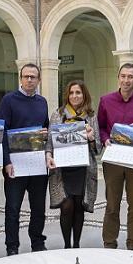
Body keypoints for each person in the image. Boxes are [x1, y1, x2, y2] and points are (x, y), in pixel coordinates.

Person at [97, 63, 133, 250]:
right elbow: (101, 126)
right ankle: (109, 242)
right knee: (112, 203)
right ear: (118, 77)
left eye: (130, 77)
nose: (126, 80)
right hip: (113, 156)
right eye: (123, 76)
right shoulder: (106, 100)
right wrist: (105, 139)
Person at [0, 63, 49, 255]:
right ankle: (12, 247)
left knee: (38, 208)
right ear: (20, 78)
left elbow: (45, 128)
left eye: (33, 77)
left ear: (38, 80)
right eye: (26, 76)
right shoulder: (8, 100)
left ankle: (37, 242)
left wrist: (45, 135)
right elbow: (2, 133)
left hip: (37, 163)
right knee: (13, 208)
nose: (29, 80)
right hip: (16, 164)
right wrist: (6, 162)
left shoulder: (42, 102)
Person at [46, 80, 101, 248]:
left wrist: (91, 138)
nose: (74, 96)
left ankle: (76, 244)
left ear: (84, 95)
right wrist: (48, 155)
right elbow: (49, 141)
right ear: (67, 95)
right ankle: (66, 245)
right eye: (71, 93)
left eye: (78, 92)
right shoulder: (58, 114)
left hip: (83, 169)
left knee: (78, 206)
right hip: (62, 169)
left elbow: (98, 147)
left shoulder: (90, 116)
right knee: (66, 206)